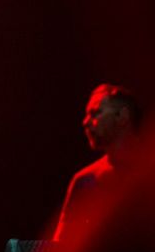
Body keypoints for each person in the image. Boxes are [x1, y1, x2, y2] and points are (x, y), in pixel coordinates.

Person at [53, 83, 143, 243]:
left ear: (122, 116)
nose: (85, 122)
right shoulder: (84, 181)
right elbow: (62, 245)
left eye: (95, 113)